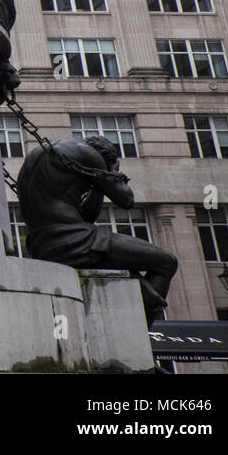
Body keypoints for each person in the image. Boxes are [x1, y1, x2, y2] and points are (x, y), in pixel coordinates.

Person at [17, 135, 177, 323]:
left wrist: (97, 187)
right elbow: (126, 200)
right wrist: (112, 171)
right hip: (74, 240)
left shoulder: (37, 156)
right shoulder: (88, 154)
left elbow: (87, 218)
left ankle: (146, 307)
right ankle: (144, 327)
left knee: (134, 278)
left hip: (42, 243)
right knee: (167, 262)